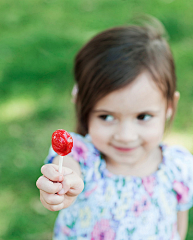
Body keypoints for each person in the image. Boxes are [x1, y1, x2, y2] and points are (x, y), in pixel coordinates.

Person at [36, 17, 193, 240]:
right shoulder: (81, 155)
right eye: (107, 116)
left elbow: (178, 228)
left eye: (143, 116)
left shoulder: (179, 167)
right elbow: (68, 169)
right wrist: (62, 184)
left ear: (169, 106)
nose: (126, 136)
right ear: (82, 105)